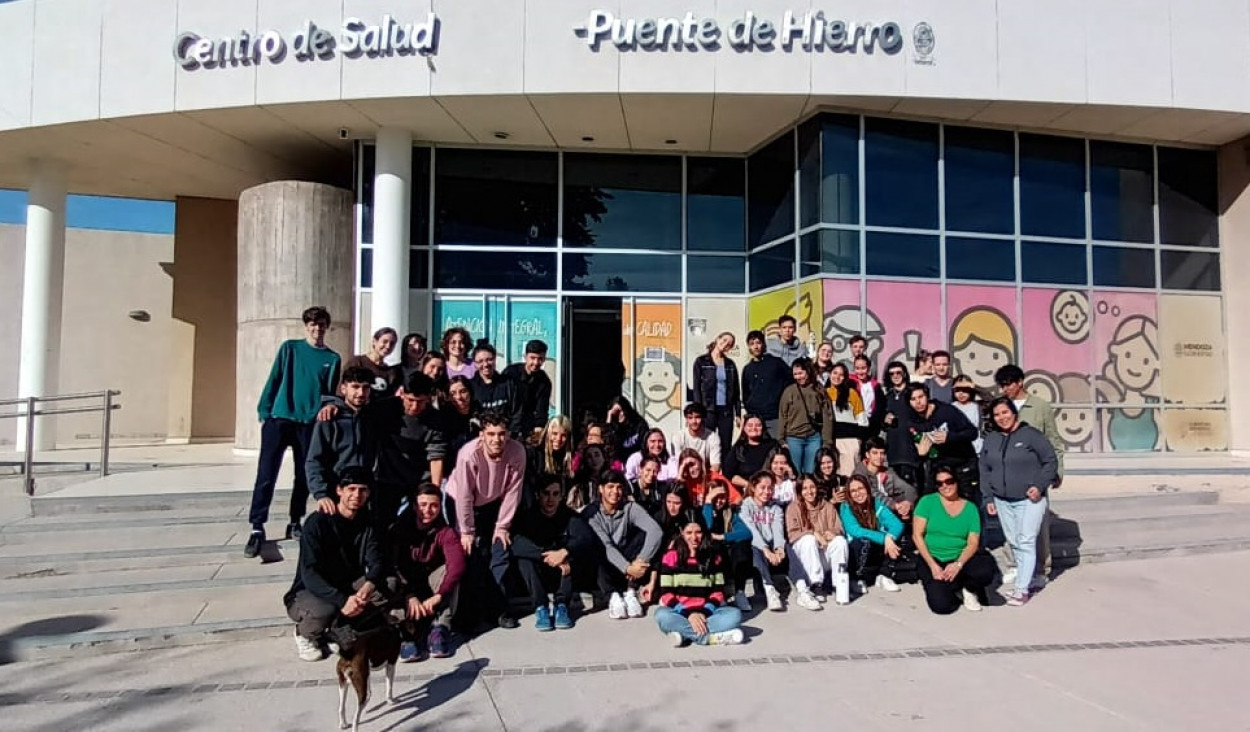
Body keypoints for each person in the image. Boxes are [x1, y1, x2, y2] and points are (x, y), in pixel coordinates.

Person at [246, 305, 341, 559]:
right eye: (312, 324)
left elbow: (329, 395)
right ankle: (257, 525)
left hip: (309, 424)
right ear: (306, 326)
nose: (317, 328)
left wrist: (326, 413)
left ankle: (294, 520)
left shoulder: (332, 359)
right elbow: (274, 378)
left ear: (326, 327)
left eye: (321, 324)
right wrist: (265, 410)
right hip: (280, 419)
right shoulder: (290, 348)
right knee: (267, 473)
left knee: (303, 475)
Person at [283, 468, 386, 662]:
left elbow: (377, 561)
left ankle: (336, 628)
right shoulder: (318, 523)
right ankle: (305, 633)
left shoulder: (368, 522)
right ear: (339, 491)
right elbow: (309, 574)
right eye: (351, 489)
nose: (357, 495)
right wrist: (342, 601)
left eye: (362, 490)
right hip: (309, 590)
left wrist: (368, 584)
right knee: (325, 610)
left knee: (388, 587)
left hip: (347, 584)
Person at [444, 412, 526, 630]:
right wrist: (467, 531)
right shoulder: (468, 455)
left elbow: (513, 491)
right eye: (491, 434)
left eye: (501, 434)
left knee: (499, 551)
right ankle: (468, 614)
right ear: (482, 434)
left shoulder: (517, 451)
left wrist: (502, 526)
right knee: (471, 554)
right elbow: (464, 495)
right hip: (462, 501)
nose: (496, 440)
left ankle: (499, 609)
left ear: (508, 434)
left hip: (494, 501)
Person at [980, 397, 1059, 606]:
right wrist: (988, 496)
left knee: (1025, 541)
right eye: (997, 415)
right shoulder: (992, 439)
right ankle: (1029, 577)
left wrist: (1040, 485)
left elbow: (1050, 460)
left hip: (1029, 499)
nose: (1001, 418)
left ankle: (1022, 589)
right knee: (1014, 541)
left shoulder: (1031, 436)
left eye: (1005, 413)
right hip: (1002, 499)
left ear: (1013, 412)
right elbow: (985, 469)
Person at [995, 363, 1064, 589]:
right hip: (1008, 475)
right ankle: (1015, 565)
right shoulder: (1001, 407)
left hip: (1035, 476)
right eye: (1002, 385)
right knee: (1012, 526)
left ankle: (1041, 569)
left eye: (1008, 384)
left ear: (1020, 382)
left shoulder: (1040, 406)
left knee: (1039, 526)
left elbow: (1053, 439)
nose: (1005, 389)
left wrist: (1057, 471)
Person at [511, 477, 596, 632]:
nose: (551, 499)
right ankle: (541, 608)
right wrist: (547, 556)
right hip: (538, 572)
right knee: (524, 560)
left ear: (561, 496)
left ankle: (561, 606)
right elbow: (516, 543)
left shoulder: (568, 516)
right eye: (546, 493)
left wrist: (564, 552)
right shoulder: (528, 516)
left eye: (555, 494)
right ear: (538, 495)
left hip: (563, 573)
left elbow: (586, 538)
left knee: (574, 554)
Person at [392, 483, 465, 661]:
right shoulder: (399, 529)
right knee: (390, 581)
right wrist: (409, 594)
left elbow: (457, 564)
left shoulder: (445, 532)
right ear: (415, 506)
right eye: (423, 505)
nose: (428, 510)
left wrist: (439, 595)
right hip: (407, 584)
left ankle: (440, 628)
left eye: (434, 505)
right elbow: (391, 565)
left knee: (451, 573)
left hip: (431, 584)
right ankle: (405, 633)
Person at [648, 517, 745, 647]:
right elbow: (666, 594)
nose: (694, 538)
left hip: (707, 613)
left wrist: (702, 613)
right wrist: (689, 614)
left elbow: (718, 593)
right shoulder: (671, 557)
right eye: (689, 533)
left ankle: (685, 634)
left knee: (735, 615)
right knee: (661, 615)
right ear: (682, 533)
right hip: (680, 612)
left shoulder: (714, 558)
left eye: (698, 532)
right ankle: (707, 638)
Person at [370, 371, 447, 535]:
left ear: (429, 398)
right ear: (402, 393)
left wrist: (434, 491)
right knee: (380, 526)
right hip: (386, 479)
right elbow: (355, 407)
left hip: (417, 479)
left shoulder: (435, 420)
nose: (414, 407)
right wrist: (331, 404)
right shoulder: (384, 408)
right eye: (410, 400)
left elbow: (436, 458)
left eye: (420, 402)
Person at [913, 467, 997, 614]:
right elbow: (917, 535)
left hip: (960, 558)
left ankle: (969, 589)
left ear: (957, 482)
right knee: (941, 606)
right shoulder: (927, 502)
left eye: (949, 481)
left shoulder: (970, 508)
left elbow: (973, 542)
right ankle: (955, 588)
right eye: (940, 483)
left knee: (986, 570)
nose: (945, 486)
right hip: (933, 558)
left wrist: (958, 564)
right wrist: (933, 565)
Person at [584, 470, 663, 620]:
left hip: (629, 565)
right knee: (595, 545)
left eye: (619, 487)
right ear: (601, 489)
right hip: (604, 565)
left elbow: (655, 531)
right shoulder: (592, 512)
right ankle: (612, 597)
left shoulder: (630, 507)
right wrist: (628, 568)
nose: (615, 492)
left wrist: (641, 561)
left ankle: (631, 592)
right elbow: (606, 545)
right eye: (610, 487)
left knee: (644, 535)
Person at [304, 367, 374, 523]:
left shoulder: (373, 417)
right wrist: (321, 494)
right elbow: (314, 460)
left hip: (364, 494)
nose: (361, 393)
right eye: (355, 387)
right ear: (343, 388)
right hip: (336, 493)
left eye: (366, 387)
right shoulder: (329, 420)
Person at [904, 382, 979, 499]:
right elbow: (913, 451)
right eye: (913, 399)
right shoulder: (912, 422)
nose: (918, 402)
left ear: (927, 396)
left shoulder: (947, 411)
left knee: (967, 504)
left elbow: (972, 432)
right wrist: (921, 454)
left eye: (921, 397)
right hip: (939, 470)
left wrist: (949, 437)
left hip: (963, 465)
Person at [787, 474, 850, 608]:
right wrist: (814, 533)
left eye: (812, 487)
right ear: (799, 491)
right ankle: (816, 584)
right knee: (809, 540)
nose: (809, 492)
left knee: (840, 542)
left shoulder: (827, 506)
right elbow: (792, 536)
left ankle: (839, 584)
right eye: (804, 488)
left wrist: (832, 533)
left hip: (823, 552)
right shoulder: (793, 508)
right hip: (805, 556)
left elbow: (839, 528)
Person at [839, 474, 905, 597]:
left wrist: (889, 537)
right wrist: (884, 538)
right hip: (856, 552)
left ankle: (884, 575)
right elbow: (855, 531)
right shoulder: (846, 507)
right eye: (853, 491)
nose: (858, 493)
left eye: (861, 488)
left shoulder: (876, 503)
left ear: (867, 489)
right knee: (862, 541)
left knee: (900, 536)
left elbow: (897, 524)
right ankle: (856, 578)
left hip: (876, 548)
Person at [702, 480, 754, 611]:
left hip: (728, 554)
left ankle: (739, 592)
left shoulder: (730, 513)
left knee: (742, 546)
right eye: (715, 497)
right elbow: (706, 529)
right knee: (714, 548)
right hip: (710, 555)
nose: (719, 501)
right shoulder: (702, 510)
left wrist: (722, 537)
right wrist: (708, 502)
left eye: (722, 497)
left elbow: (746, 533)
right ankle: (719, 593)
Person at [778, 357, 834, 474]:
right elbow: (783, 415)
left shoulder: (819, 390)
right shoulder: (789, 391)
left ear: (808, 371)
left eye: (801, 373)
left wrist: (827, 441)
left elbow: (827, 417)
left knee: (811, 472)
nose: (798, 377)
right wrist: (781, 439)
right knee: (795, 472)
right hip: (794, 438)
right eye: (795, 374)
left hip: (813, 438)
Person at [740, 471, 787, 612]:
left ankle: (803, 586)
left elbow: (778, 529)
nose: (766, 492)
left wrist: (779, 548)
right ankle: (769, 587)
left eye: (770, 488)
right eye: (762, 487)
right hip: (756, 545)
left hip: (771, 543)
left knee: (789, 548)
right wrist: (766, 550)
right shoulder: (745, 506)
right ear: (754, 488)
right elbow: (752, 530)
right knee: (756, 550)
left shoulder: (775, 507)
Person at [691, 331, 741, 454]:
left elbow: (736, 391)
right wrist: (698, 411)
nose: (725, 345)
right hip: (708, 410)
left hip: (726, 411)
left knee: (726, 445)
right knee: (706, 444)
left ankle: (724, 473)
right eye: (723, 340)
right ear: (717, 339)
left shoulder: (730, 364)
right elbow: (696, 388)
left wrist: (738, 413)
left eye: (729, 344)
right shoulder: (701, 361)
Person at [741, 330, 792, 437]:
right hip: (755, 418)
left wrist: (782, 404)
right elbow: (745, 393)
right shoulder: (747, 369)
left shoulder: (776, 363)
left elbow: (790, 382)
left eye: (758, 343)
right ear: (749, 347)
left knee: (777, 448)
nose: (755, 346)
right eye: (752, 344)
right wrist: (749, 410)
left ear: (763, 344)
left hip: (774, 417)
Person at [502, 339, 553, 441]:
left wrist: (538, 432)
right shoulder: (511, 373)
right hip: (507, 427)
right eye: (532, 358)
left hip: (527, 430)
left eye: (540, 359)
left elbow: (541, 410)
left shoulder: (544, 381)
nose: (536, 362)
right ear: (525, 357)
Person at [880, 361, 920, 488]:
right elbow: (883, 425)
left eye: (898, 373)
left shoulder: (913, 393)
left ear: (904, 374)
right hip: (893, 452)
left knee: (911, 490)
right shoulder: (888, 396)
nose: (895, 376)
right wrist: (885, 421)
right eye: (891, 374)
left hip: (910, 450)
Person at [827, 363, 868, 478]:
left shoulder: (851, 393)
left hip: (850, 440)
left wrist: (858, 440)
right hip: (832, 440)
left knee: (850, 476)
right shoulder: (825, 393)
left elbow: (862, 418)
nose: (837, 377)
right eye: (835, 373)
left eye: (841, 375)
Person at [722, 414, 777, 496]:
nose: (754, 428)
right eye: (750, 425)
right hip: (745, 491)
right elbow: (728, 473)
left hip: (770, 490)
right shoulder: (738, 448)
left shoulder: (773, 446)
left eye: (758, 425)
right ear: (744, 428)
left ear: (763, 428)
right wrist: (750, 486)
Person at [526, 415, 573, 507]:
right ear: (548, 433)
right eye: (554, 434)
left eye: (563, 435)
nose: (558, 439)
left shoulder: (566, 458)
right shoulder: (534, 453)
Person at [469, 342, 519, 430]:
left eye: (489, 359)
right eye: (480, 361)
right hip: (478, 436)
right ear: (475, 364)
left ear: (495, 359)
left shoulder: (509, 384)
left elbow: (517, 412)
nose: (485, 364)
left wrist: (510, 433)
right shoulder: (470, 386)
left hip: (505, 435)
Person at [345, 327, 401, 396]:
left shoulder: (390, 372)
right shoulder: (357, 362)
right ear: (374, 341)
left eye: (392, 344)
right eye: (385, 341)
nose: (388, 346)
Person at [669, 402, 723, 473]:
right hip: (684, 473)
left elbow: (716, 466)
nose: (694, 421)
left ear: (703, 418)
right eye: (690, 418)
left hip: (705, 474)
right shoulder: (678, 437)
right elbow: (678, 463)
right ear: (686, 419)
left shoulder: (713, 437)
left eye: (697, 417)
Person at [440, 376, 478, 473]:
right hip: (453, 471)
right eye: (453, 393)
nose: (458, 397)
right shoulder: (444, 420)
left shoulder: (480, 415)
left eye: (463, 391)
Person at [568, 442, 614, 513]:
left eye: (597, 455)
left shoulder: (615, 480)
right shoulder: (580, 485)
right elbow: (571, 508)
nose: (594, 459)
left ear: (604, 457)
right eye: (589, 457)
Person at [852, 354, 888, 437]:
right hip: (855, 424)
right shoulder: (850, 382)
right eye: (857, 368)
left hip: (871, 425)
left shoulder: (875, 385)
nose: (860, 372)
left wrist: (874, 421)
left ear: (868, 368)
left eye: (863, 368)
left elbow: (881, 406)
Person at [951, 375, 985, 454]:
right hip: (957, 449)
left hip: (976, 448)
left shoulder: (978, 406)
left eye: (965, 389)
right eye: (958, 390)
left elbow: (991, 400)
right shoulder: (950, 407)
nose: (961, 393)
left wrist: (974, 386)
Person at [652, 485, 692, 550]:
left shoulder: (689, 516)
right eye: (668, 502)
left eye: (676, 503)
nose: (671, 507)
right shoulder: (658, 518)